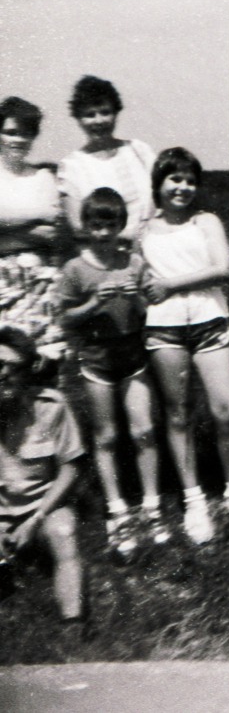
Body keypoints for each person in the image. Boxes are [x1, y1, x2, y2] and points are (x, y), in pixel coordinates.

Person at [141, 147, 229, 541]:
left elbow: (222, 269)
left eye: (190, 180)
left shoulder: (206, 221)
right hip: (164, 328)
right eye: (175, 179)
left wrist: (168, 284)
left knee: (228, 410)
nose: (183, 188)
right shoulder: (143, 229)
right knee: (178, 414)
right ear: (158, 184)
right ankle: (193, 499)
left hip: (209, 320)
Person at [52, 188, 164, 558]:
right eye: (96, 226)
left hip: (132, 351)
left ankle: (151, 506)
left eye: (110, 226)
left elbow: (151, 307)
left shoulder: (131, 261)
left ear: (121, 226)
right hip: (97, 355)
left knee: (144, 429)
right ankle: (117, 510)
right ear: (85, 227)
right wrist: (94, 302)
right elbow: (64, 317)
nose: (103, 233)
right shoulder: (75, 268)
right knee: (106, 436)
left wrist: (136, 298)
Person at [0, 328, 86, 633]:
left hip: (43, 507)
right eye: (0, 365)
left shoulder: (50, 406)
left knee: (64, 532)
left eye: (15, 369)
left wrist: (36, 519)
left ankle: (73, 624)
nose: (5, 375)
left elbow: (71, 468)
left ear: (28, 372)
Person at [0, 97, 66, 364]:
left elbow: (52, 233)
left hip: (39, 283)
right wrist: (35, 219)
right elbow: (42, 226)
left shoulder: (43, 178)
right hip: (1, 281)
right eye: (11, 132)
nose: (19, 140)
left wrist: (6, 233)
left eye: (26, 133)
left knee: (40, 365)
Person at [57, 76, 157, 241]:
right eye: (89, 115)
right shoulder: (72, 166)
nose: (98, 121)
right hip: (108, 254)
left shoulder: (140, 150)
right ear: (78, 119)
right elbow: (78, 227)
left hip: (152, 247)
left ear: (116, 113)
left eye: (105, 112)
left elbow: (161, 200)